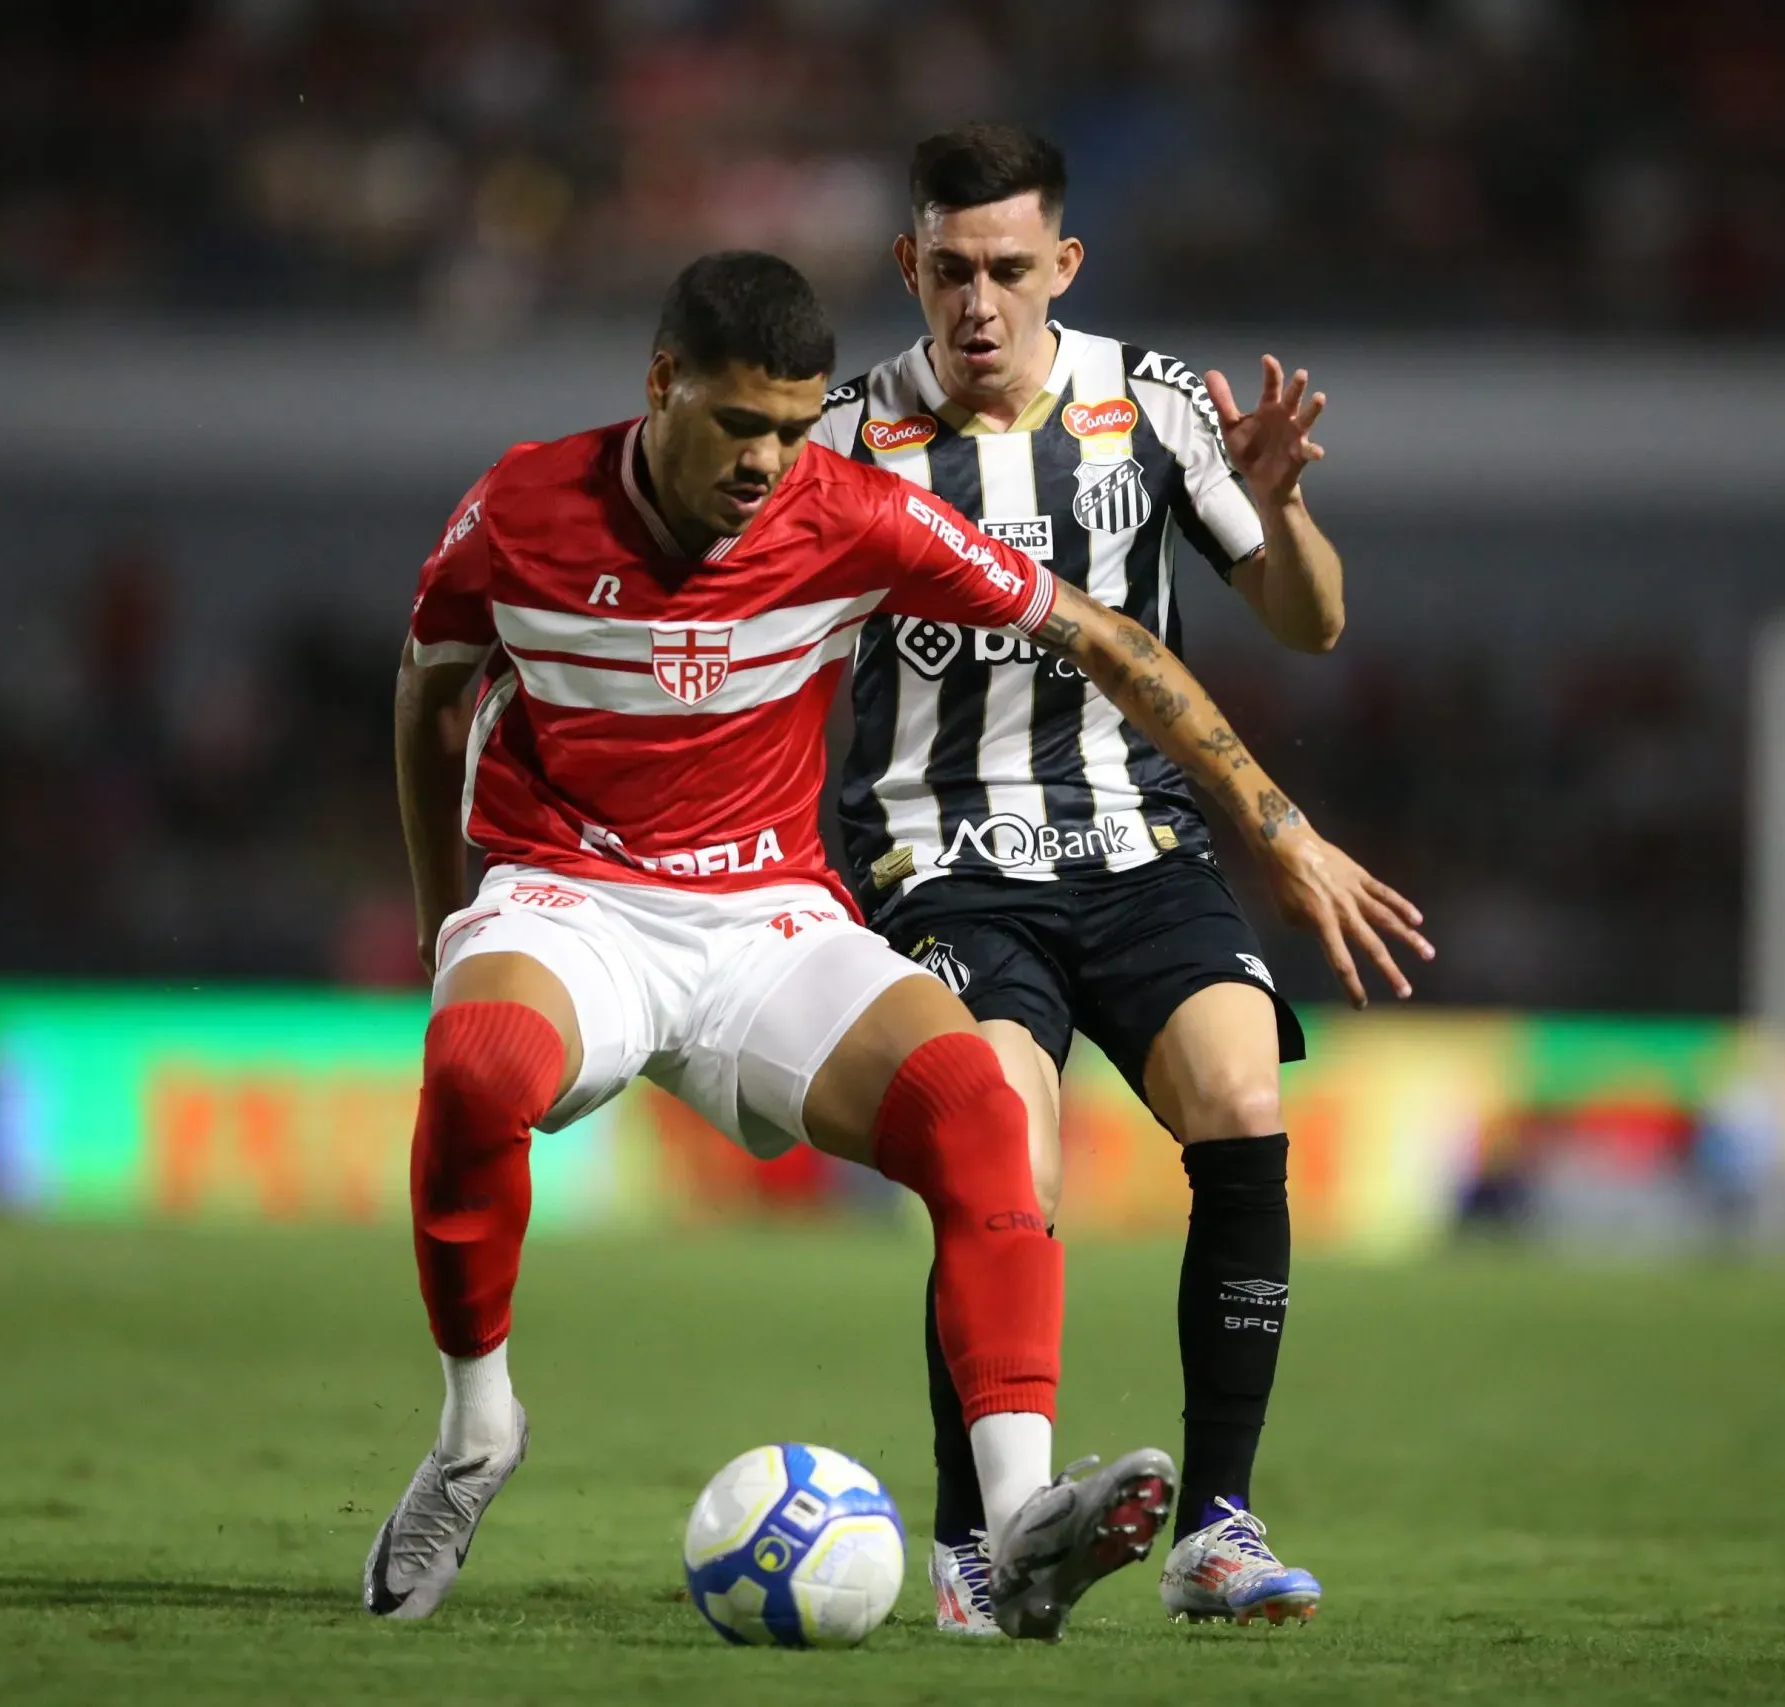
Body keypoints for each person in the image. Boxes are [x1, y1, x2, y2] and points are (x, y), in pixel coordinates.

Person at [367, 250, 1424, 1641]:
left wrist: (1274, 822)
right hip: (576, 900)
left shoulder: (851, 512)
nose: (766, 462)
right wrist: (458, 920)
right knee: (477, 1064)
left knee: (974, 1102)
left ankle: (1021, 1522)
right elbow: (430, 701)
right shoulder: (519, 508)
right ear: (659, 385)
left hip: (767, 917)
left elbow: (1103, 636)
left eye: (793, 428)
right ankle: (475, 1431)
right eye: (738, 422)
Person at [811, 124, 1431, 1631]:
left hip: (1136, 839)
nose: (978, 303)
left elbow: (1314, 622)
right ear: (909, 265)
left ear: (1062, 267)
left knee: (1242, 1094)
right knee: (1002, 1145)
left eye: (1010, 270)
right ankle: (974, 1544)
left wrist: (1278, 508)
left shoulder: (1151, 405)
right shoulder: (837, 444)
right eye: (949, 270)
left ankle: (1215, 1525)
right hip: (940, 854)